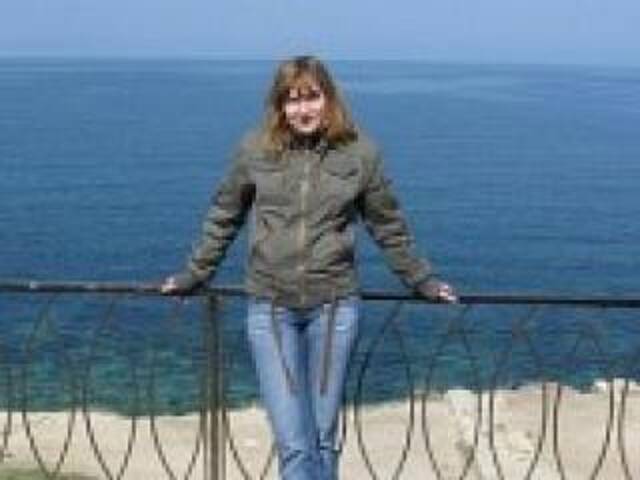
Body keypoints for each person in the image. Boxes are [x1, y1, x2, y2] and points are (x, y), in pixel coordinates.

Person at [161, 55, 456, 480]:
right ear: (279, 105)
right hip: (270, 308)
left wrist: (421, 279)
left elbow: (387, 225)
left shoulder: (360, 152)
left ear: (329, 98)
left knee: (322, 437)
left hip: (334, 308)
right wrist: (195, 273)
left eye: (311, 97)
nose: (303, 109)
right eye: (292, 99)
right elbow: (224, 215)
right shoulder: (254, 149)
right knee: (295, 443)